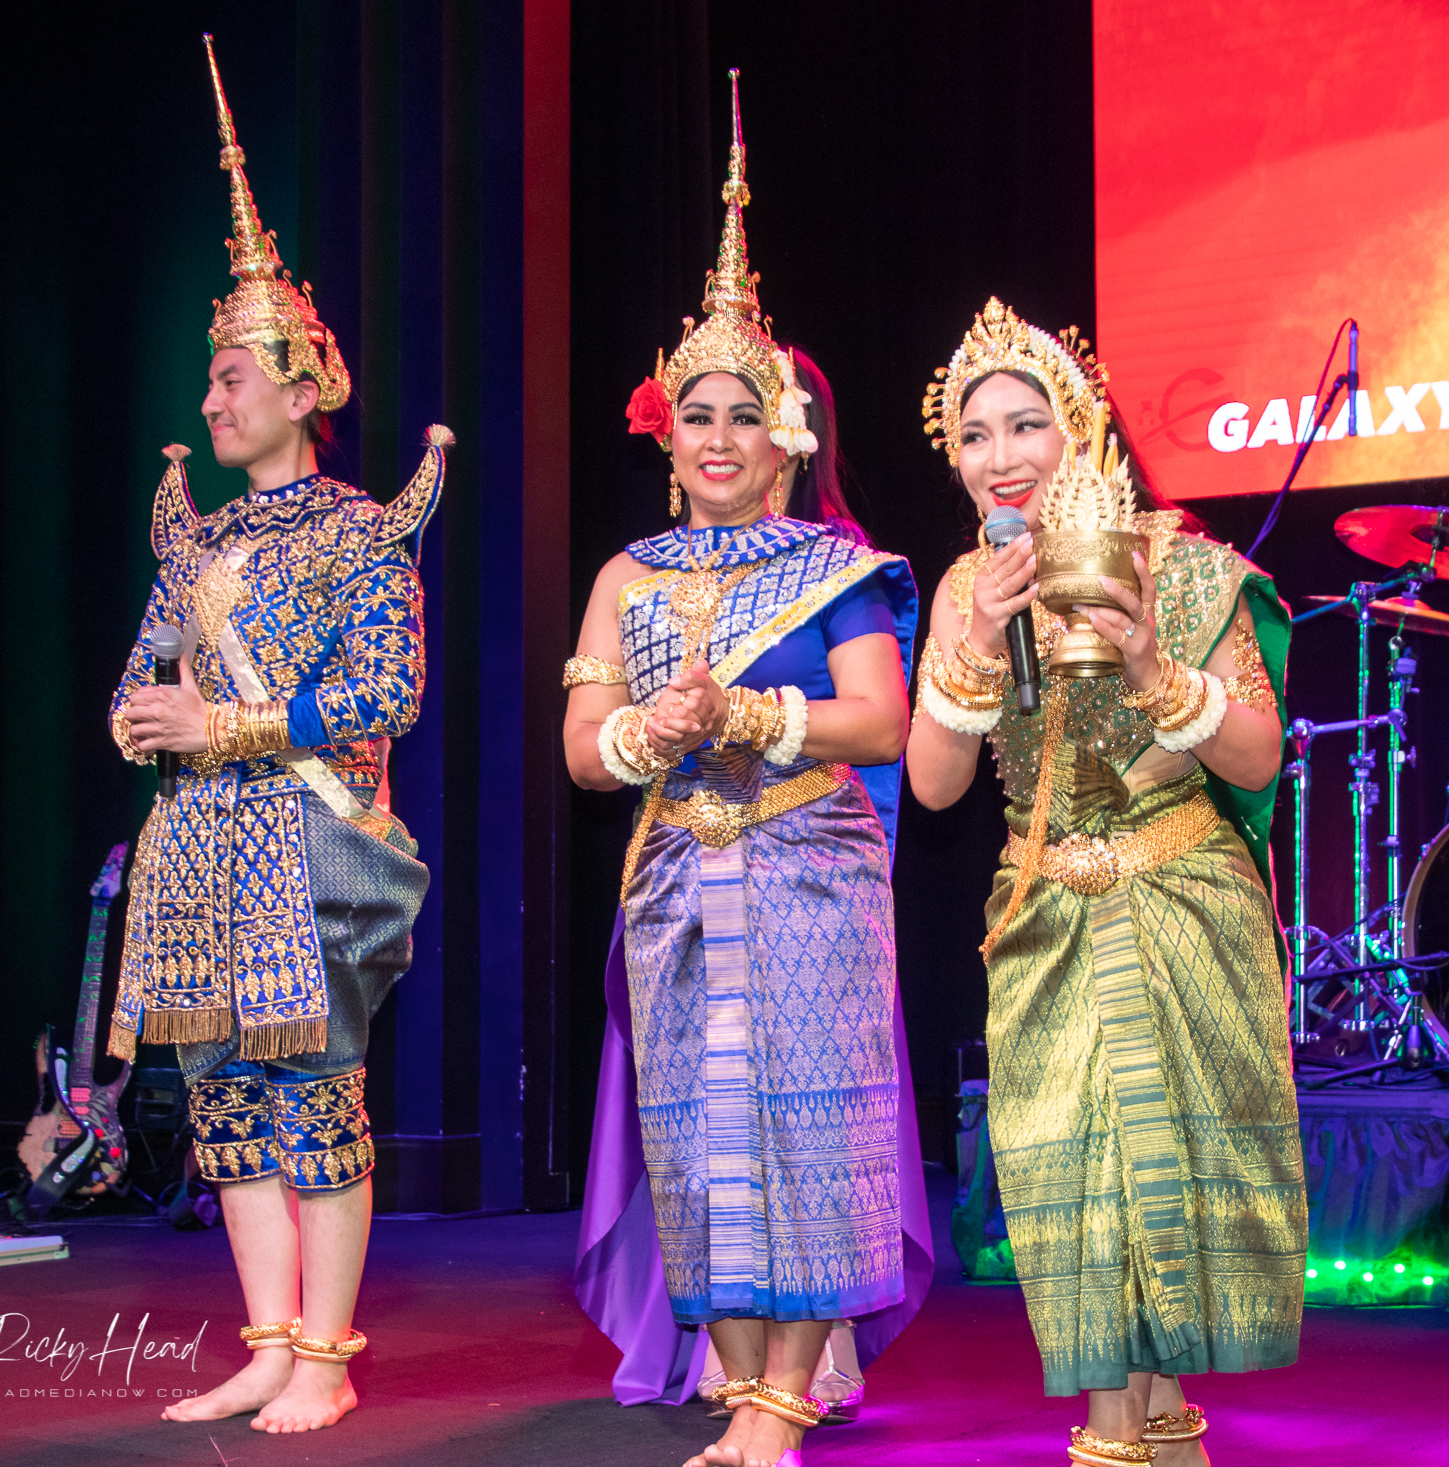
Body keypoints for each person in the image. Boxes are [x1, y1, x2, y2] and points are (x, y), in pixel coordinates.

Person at [562, 73, 917, 1467]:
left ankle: (784, 1397)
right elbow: (584, 751)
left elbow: (879, 723)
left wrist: (752, 713)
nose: (716, 438)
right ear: (668, 433)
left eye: (743, 416)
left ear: (789, 438)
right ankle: (740, 1371)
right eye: (696, 414)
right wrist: (649, 735)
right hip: (675, 872)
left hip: (807, 860)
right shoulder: (627, 574)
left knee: (807, 1121)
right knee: (699, 1125)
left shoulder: (838, 566)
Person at [107, 38, 444, 1435]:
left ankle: (327, 1351)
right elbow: (142, 673)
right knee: (224, 1100)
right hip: (196, 842)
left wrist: (224, 718)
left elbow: (384, 695)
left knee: (314, 1094)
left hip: (309, 842)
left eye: (233, 377)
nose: (210, 399)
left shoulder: (360, 534)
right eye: (208, 379)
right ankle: (263, 1340)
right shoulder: (193, 540)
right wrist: (139, 715)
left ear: (304, 390)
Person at [905, 297, 1306, 1467]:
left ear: (1079, 427)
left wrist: (1150, 665)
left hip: (1180, 895)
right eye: (973, 436)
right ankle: (1140, 1431)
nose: (999, 457)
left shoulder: (1182, 568)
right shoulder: (964, 589)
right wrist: (974, 651)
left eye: (1025, 425)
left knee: (1164, 1175)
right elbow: (932, 785)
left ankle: (1131, 1432)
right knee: (1070, 1177)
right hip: (1040, 912)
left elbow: (1256, 756)